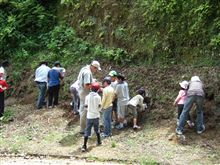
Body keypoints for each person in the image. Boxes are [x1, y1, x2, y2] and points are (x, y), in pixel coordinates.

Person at [77, 60, 101, 134]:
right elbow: (86, 85)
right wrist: (96, 85)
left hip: (81, 91)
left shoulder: (84, 68)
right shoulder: (87, 72)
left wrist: (92, 81)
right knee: (85, 110)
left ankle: (83, 127)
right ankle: (83, 129)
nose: (96, 71)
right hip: (85, 93)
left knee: (82, 109)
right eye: (96, 69)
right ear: (93, 67)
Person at [81, 82, 102, 152]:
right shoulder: (98, 97)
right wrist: (97, 110)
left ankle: (84, 146)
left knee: (87, 131)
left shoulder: (87, 97)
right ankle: (99, 141)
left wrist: (89, 110)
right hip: (96, 116)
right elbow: (100, 106)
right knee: (97, 129)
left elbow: (86, 106)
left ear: (91, 88)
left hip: (89, 116)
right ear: (98, 90)